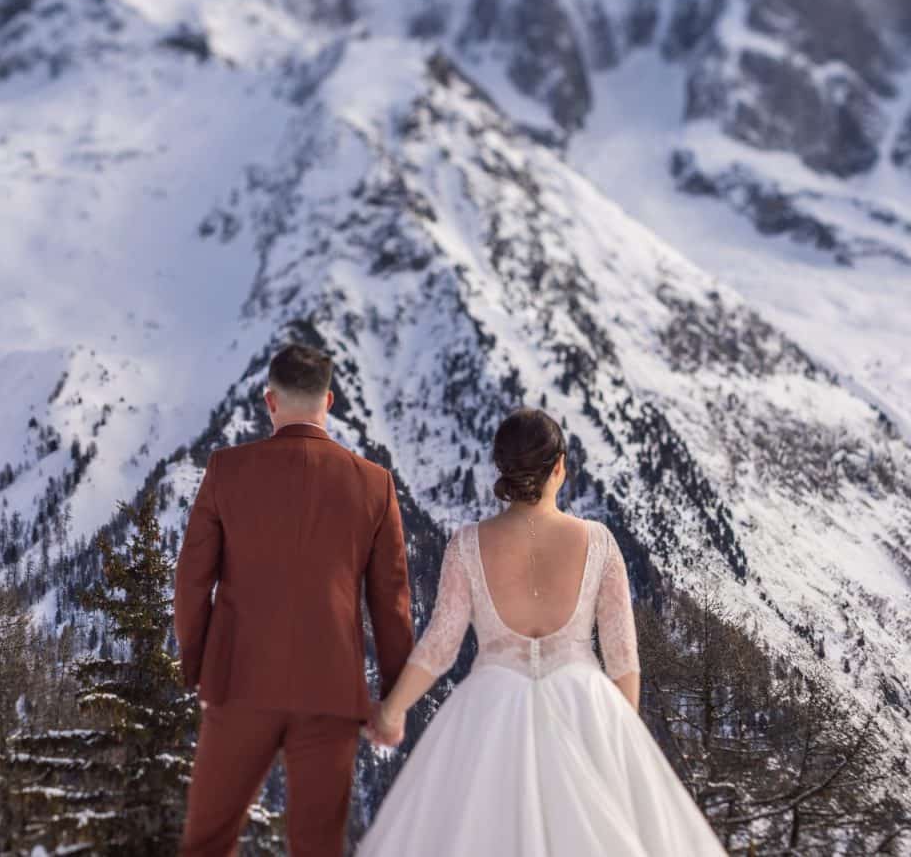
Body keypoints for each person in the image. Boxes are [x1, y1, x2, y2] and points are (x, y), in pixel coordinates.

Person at [357, 408, 727, 856]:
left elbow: (440, 645)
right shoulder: (599, 542)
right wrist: (622, 742)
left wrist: (392, 711)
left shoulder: (467, 544)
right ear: (560, 467)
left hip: (489, 705)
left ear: (503, 469)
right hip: (583, 700)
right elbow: (622, 656)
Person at [173, 343, 415, 856]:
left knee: (208, 842)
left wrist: (197, 667)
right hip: (331, 689)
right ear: (328, 401)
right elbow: (391, 602)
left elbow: (192, 581)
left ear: (270, 401)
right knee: (318, 847)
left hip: (239, 683)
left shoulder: (226, 470)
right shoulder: (375, 485)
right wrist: (393, 698)